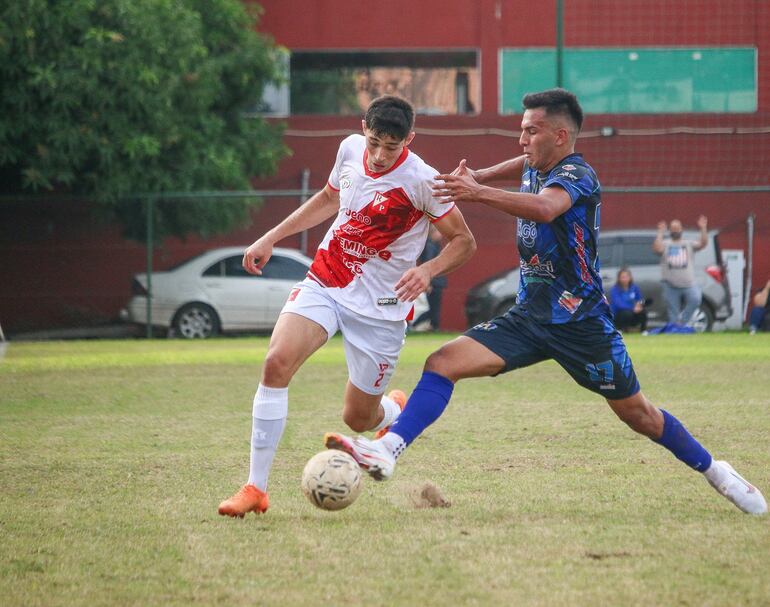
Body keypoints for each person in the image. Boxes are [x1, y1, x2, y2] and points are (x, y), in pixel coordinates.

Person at [324, 88, 767, 515]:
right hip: (528, 318)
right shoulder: (537, 160)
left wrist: (476, 192)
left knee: (640, 415)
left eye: (531, 131)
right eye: (521, 129)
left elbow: (545, 209)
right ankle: (387, 449)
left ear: (560, 136)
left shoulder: (578, 175)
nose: (522, 139)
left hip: (581, 323)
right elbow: (521, 163)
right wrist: (479, 175)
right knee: (442, 362)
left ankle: (718, 472)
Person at [218, 95, 476, 517]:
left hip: (381, 310)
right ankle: (255, 489)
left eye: (390, 147)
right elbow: (327, 198)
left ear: (409, 139)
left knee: (358, 419)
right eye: (373, 141)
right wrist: (271, 237)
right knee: (276, 363)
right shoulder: (349, 150)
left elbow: (464, 241)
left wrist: (428, 270)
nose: (377, 155)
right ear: (363, 129)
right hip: (327, 280)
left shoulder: (423, 182)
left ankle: (393, 409)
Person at [653, 217, 708, 326]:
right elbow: (657, 249)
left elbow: (703, 243)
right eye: (673, 229)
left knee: (696, 299)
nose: (675, 231)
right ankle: (676, 331)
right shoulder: (666, 244)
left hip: (689, 283)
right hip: (670, 285)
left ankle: (683, 321)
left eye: (677, 229)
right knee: (673, 312)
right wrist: (660, 233)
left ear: (681, 230)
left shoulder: (688, 243)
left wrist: (703, 228)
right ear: (670, 231)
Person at [411, 225, 447, 331]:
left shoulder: (434, 245)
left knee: (433, 309)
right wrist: (429, 282)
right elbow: (428, 263)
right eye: (438, 232)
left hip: (437, 281)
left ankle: (431, 326)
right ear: (433, 233)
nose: (441, 235)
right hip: (434, 282)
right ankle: (414, 325)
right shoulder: (430, 246)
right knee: (433, 309)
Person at [609, 268, 648, 333]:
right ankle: (620, 328)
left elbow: (639, 299)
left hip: (633, 311)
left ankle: (643, 330)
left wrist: (639, 306)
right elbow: (618, 304)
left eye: (626, 277)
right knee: (626, 313)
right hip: (619, 314)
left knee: (643, 311)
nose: (625, 279)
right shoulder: (615, 289)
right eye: (622, 277)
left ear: (630, 278)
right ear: (619, 278)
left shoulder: (634, 288)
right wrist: (633, 308)